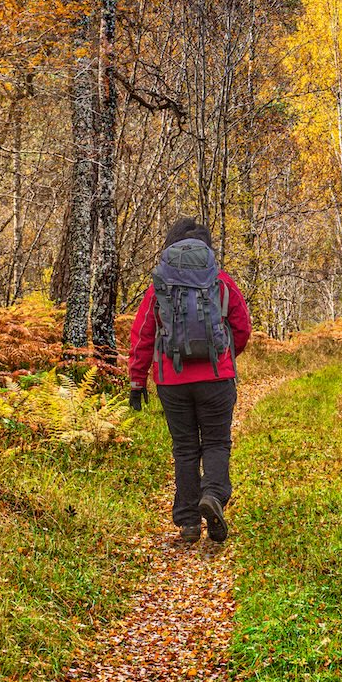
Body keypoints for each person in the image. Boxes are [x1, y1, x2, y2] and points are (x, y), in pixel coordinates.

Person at [128, 217, 252, 544]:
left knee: (184, 448)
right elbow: (242, 328)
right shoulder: (221, 281)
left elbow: (142, 335)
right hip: (216, 377)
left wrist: (137, 382)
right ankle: (212, 495)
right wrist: (225, 357)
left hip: (172, 381)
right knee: (216, 441)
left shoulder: (159, 286)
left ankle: (188, 522)